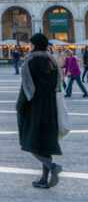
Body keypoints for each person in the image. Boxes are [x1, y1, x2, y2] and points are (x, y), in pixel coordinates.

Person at [17, 33, 64, 188]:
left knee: (29, 142)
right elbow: (57, 86)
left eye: (30, 45)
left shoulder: (29, 62)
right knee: (46, 144)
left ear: (35, 45)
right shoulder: (52, 62)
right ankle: (44, 179)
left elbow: (26, 89)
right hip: (50, 107)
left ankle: (52, 167)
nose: (28, 47)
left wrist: (19, 108)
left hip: (35, 107)